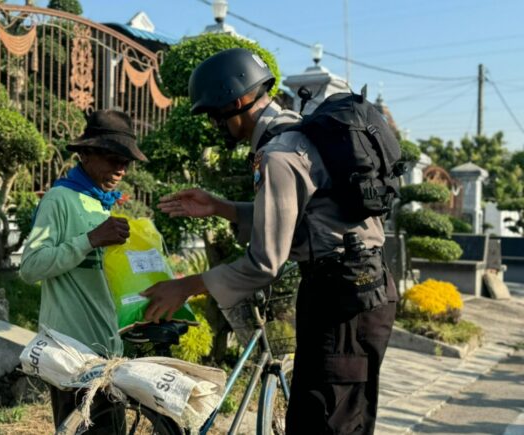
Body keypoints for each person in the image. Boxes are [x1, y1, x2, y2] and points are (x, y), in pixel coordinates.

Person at [141, 48, 398, 434]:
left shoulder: (278, 154)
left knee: (329, 424)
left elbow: (265, 263)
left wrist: (187, 286)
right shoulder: (297, 132)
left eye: (214, 114)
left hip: (340, 297)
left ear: (239, 100)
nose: (214, 124)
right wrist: (220, 207)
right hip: (357, 289)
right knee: (336, 416)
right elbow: (304, 219)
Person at [20, 109, 147, 434]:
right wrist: (89, 240)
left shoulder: (102, 203)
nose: (120, 168)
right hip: (70, 356)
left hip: (107, 355)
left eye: (126, 161)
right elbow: (31, 267)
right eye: (111, 157)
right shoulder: (59, 200)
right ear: (86, 154)